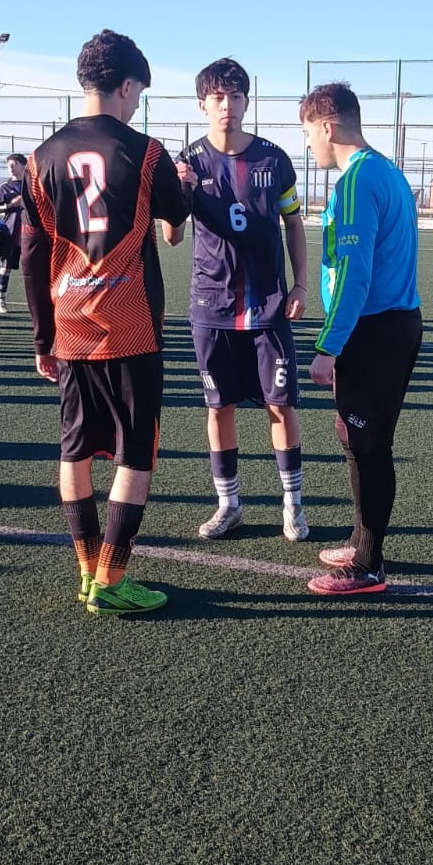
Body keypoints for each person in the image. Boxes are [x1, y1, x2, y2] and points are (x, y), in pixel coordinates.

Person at [21, 29, 190, 616]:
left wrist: (42, 338)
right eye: (138, 91)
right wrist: (184, 189)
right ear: (124, 86)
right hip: (132, 325)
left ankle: (87, 570)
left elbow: (31, 255)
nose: (137, 102)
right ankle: (113, 582)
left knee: (74, 450)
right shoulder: (146, 153)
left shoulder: (41, 157)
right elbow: (176, 215)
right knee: (135, 454)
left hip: (69, 325)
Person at [164, 57, 309, 541]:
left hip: (268, 304)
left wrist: (301, 285)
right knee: (218, 408)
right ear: (203, 103)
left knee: (280, 407)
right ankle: (229, 505)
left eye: (236, 96)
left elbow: (294, 223)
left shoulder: (274, 159)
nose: (227, 106)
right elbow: (172, 237)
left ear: (247, 101)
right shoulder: (188, 161)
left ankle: (292, 504)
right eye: (218, 97)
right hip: (212, 307)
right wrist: (177, 192)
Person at [298, 83, 422, 596]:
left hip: (372, 333)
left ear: (327, 126)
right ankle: (362, 540)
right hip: (393, 326)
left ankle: (369, 567)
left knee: (368, 447)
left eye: (308, 134)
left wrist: (329, 346)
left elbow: (353, 274)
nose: (308, 146)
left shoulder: (355, 182)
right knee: (357, 440)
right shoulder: (386, 170)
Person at [0, 153, 26, 315]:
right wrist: (11, 205)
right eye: (8, 165)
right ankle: (0, 300)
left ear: (24, 166)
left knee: (34, 270)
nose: (11, 168)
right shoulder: (5, 187)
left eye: (14, 164)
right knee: (5, 268)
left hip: (30, 235)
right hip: (11, 234)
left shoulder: (33, 185)